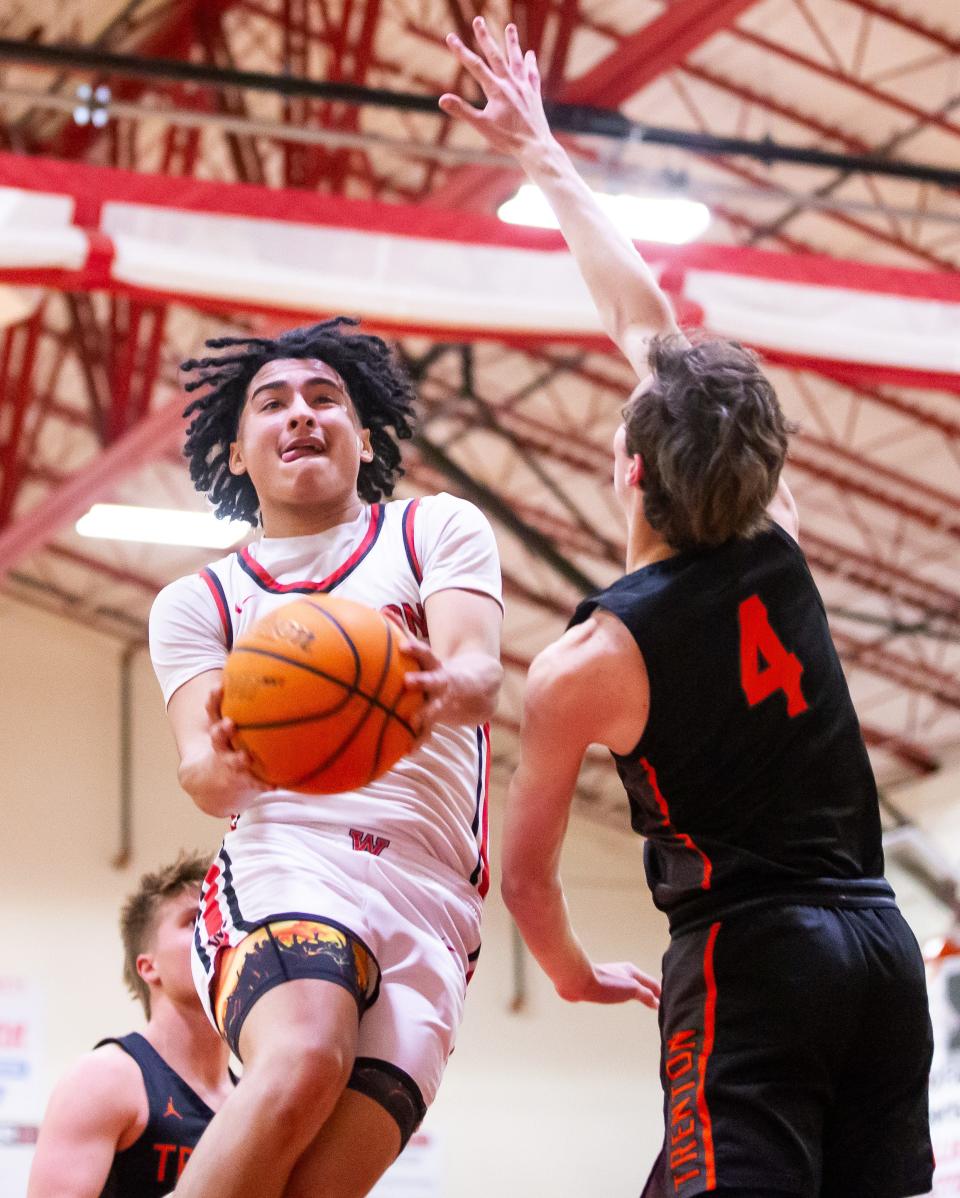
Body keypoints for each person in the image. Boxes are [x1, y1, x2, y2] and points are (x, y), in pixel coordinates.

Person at [442, 20, 934, 1198]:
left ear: (627, 472)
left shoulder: (588, 663)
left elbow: (526, 877)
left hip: (754, 953)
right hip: (882, 946)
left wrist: (564, 969)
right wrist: (545, 159)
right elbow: (643, 319)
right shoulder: (783, 531)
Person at [148, 318, 503, 1198]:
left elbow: (479, 670)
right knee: (304, 1058)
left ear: (362, 433)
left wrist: (437, 688)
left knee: (319, 1186)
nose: (301, 414)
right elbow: (201, 771)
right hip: (288, 858)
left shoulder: (433, 530)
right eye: (272, 403)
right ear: (235, 453)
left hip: (432, 895)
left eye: (324, 399)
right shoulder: (201, 602)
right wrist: (231, 765)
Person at [27, 853, 234, 1198]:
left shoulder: (256, 1095)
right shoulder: (105, 1078)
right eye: (195, 919)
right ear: (148, 967)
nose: (217, 931)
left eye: (224, 918)